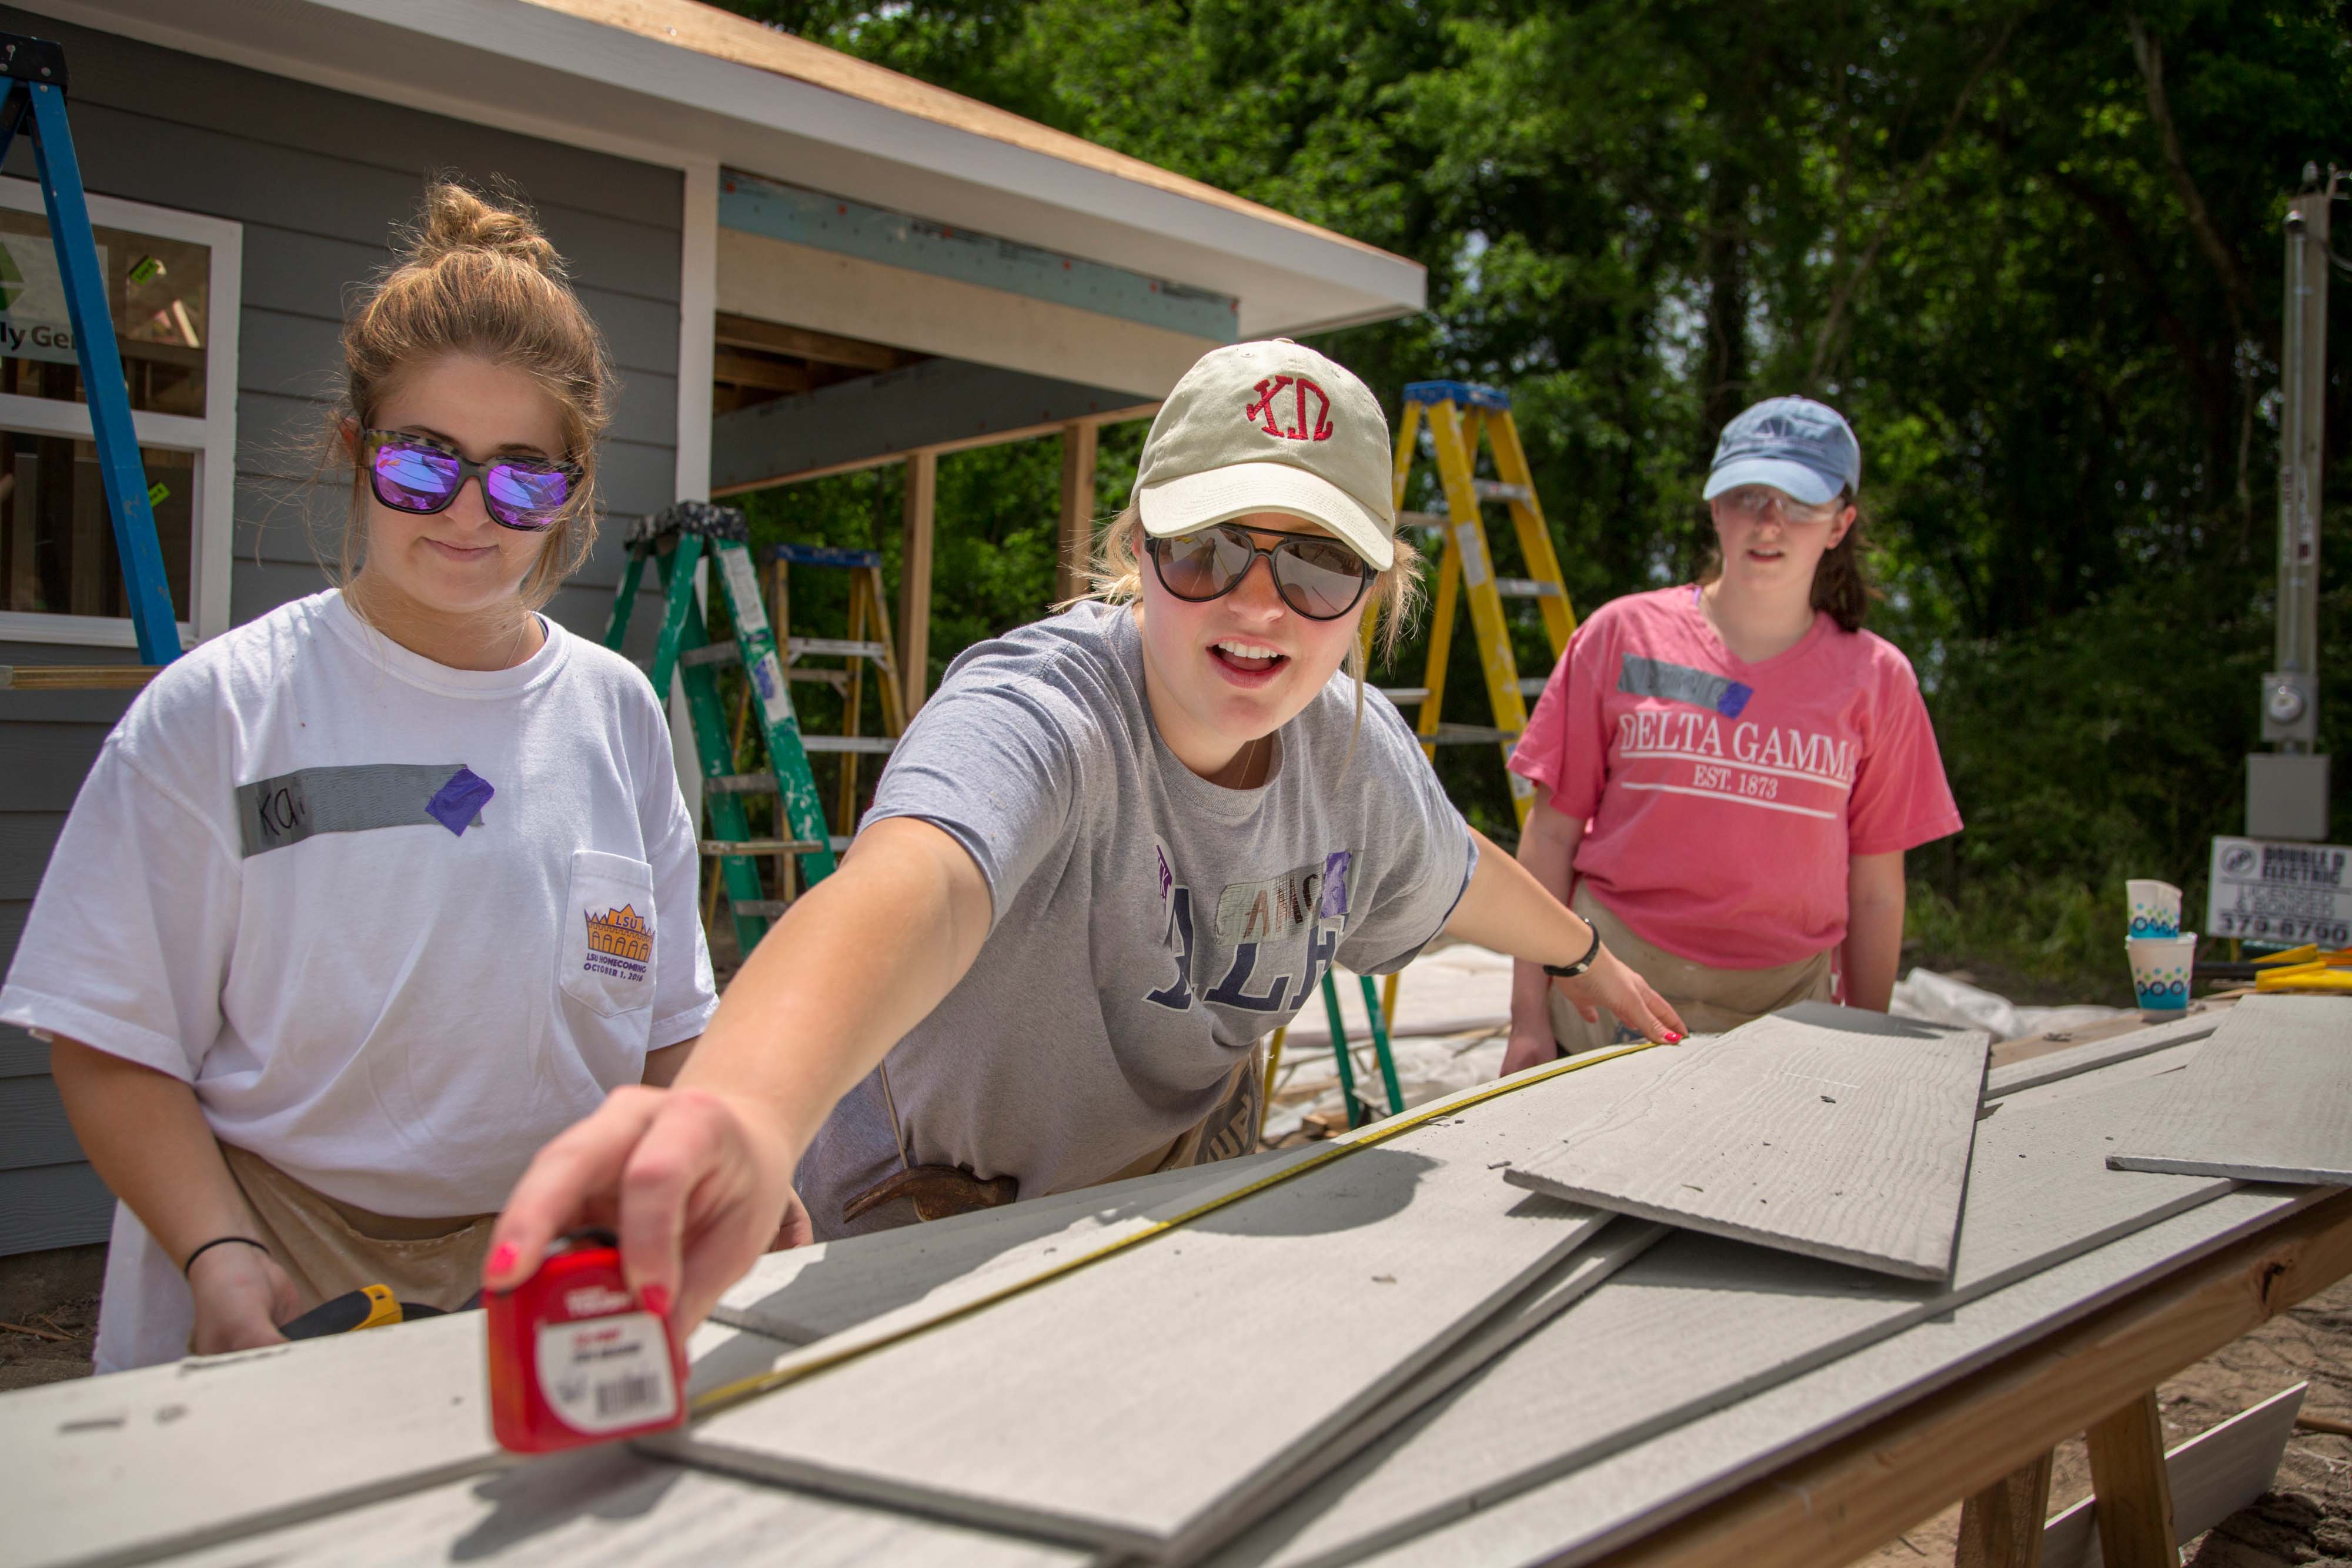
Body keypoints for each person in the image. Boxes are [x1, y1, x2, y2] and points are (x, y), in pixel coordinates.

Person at [483, 340, 1686, 1327]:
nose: (1258, 603)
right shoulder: (1039, 714)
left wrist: (1584, 956)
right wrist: (737, 1112)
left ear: (1377, 589)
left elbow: (1451, 868)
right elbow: (915, 887)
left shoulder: (1352, 754)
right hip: (927, 1244)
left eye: (1317, 565)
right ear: (1136, 552)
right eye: (1209, 550)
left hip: (1172, 1232)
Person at [0, 183, 717, 1371]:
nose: (470, 512)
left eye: (522, 476)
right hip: (272, 1267)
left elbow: (671, 1028)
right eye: (423, 462)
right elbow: (112, 1039)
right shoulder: (218, 713)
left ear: (573, 491)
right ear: (357, 450)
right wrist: (217, 1251)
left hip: (552, 1276)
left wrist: (712, 1156)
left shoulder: (619, 713)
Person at [1501, 396, 1962, 1074]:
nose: (1769, 522)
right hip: (1604, 998)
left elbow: (1875, 890)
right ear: (1715, 507)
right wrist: (1526, 1019)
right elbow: (1549, 837)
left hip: (1783, 1012)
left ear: (1840, 524)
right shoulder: (1619, 637)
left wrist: (1870, 1046)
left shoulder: (1877, 679)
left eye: (1799, 503)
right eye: (1747, 496)